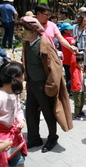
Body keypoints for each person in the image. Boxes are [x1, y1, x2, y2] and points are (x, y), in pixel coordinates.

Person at [15, 16, 73, 153]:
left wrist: (50, 87)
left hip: (44, 86)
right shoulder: (27, 43)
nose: (20, 33)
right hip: (32, 84)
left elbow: (56, 68)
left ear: (33, 30)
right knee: (30, 112)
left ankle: (53, 137)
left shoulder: (44, 44)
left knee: (48, 113)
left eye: (22, 29)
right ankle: (34, 138)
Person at [0, 62, 27, 167]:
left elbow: (18, 109)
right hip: (2, 140)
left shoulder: (15, 93)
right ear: (15, 78)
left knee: (19, 161)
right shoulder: (0, 98)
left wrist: (21, 120)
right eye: (22, 74)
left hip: (14, 137)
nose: (24, 77)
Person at [60, 23, 75, 95]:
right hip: (71, 60)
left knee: (67, 75)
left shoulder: (62, 37)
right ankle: (71, 89)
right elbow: (73, 48)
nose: (71, 29)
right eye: (69, 29)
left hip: (65, 59)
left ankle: (68, 89)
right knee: (71, 75)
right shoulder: (70, 39)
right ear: (65, 30)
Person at [70, 54, 86, 121]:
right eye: (80, 63)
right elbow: (73, 61)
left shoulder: (80, 70)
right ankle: (76, 115)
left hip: (81, 89)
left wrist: (83, 86)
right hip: (76, 90)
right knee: (78, 103)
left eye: (82, 63)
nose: (82, 64)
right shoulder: (74, 69)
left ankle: (80, 112)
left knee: (82, 101)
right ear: (76, 63)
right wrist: (74, 53)